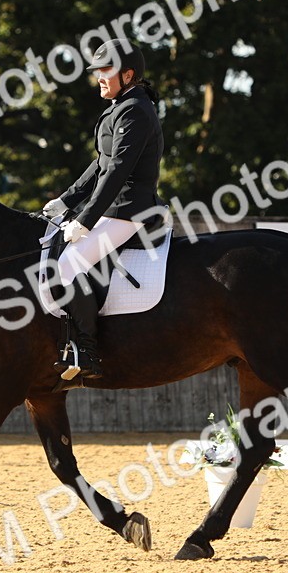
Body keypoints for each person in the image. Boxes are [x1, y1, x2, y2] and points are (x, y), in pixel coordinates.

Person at [42, 39, 164, 379]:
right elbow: (99, 165)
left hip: (129, 210)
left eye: (105, 70)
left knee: (66, 266)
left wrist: (84, 219)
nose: (99, 77)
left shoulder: (136, 111)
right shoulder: (121, 108)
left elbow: (117, 171)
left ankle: (87, 351)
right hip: (115, 207)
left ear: (128, 74)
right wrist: (66, 199)